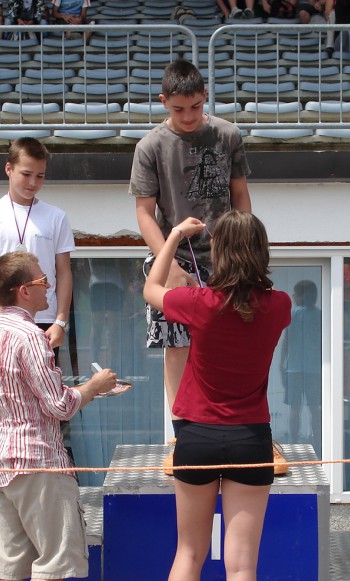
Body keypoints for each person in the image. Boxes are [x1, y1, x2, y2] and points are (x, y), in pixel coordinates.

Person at [143, 210, 291, 581]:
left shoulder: (200, 303)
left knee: (188, 554)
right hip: (250, 439)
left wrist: (176, 238)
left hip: (196, 438)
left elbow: (152, 287)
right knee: (241, 566)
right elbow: (256, 301)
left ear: (220, 253)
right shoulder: (281, 305)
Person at [0, 250, 116, 581]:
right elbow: (58, 405)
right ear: (23, 290)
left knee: (13, 563)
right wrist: (93, 387)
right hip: (39, 461)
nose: (48, 287)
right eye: (41, 281)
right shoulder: (30, 337)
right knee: (55, 558)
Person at [129, 59, 251, 447]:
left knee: (228, 344)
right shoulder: (149, 146)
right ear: (163, 101)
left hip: (226, 255)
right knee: (177, 346)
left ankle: (229, 423)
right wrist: (170, 264)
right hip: (175, 256)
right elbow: (145, 214)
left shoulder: (228, 134)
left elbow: (241, 196)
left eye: (196, 107)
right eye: (178, 108)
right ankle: (183, 431)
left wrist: (243, 248)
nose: (188, 116)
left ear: (205, 97)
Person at [0, 137, 76, 517]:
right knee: (1, 403)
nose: (33, 183)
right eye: (27, 174)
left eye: (41, 176)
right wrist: (0, 317)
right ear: (9, 169)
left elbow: (63, 272)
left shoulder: (55, 217)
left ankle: (56, 479)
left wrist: (60, 320)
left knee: (50, 403)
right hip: (3, 323)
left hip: (43, 323)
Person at [280, 280, 322, 451]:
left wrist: (281, 365)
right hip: (315, 368)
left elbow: (286, 342)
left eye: (295, 294)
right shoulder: (320, 315)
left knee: (294, 407)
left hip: (294, 368)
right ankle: (318, 439)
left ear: (301, 296)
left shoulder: (293, 314)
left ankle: (294, 441)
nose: (293, 297)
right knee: (315, 407)